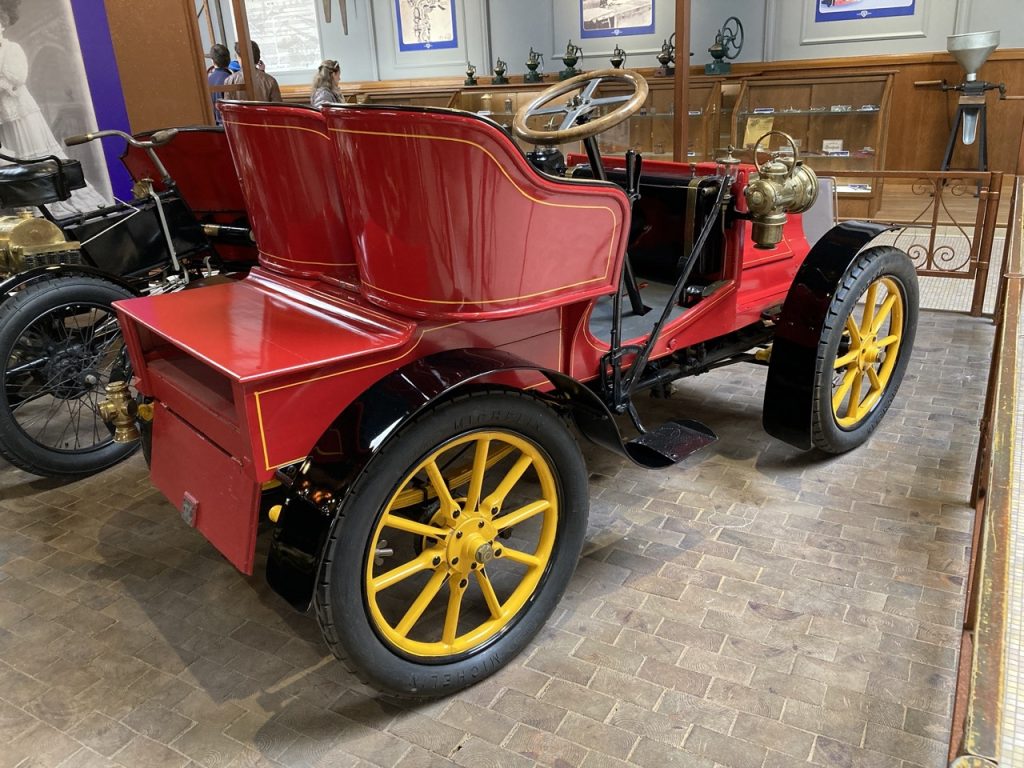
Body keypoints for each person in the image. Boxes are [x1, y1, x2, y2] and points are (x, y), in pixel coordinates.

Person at [0, 0, 107, 215]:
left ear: (3, 22)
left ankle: (53, 208)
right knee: (11, 166)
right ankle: (26, 213)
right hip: (3, 119)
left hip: (22, 117)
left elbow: (15, 77)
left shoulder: (12, 49)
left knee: (33, 157)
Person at [207, 43, 232, 123]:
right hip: (230, 124)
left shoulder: (208, 80)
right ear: (229, 59)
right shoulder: (231, 78)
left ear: (213, 61)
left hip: (215, 126)